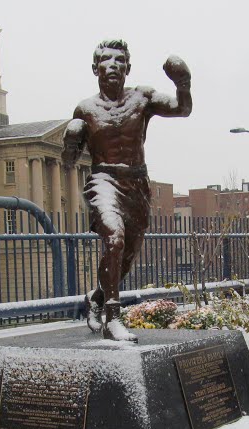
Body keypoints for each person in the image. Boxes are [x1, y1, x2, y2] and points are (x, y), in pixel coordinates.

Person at [63, 39, 192, 341]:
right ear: (95, 68)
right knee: (115, 237)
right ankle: (112, 317)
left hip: (137, 183)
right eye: (106, 60)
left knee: (127, 256)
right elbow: (68, 162)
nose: (113, 65)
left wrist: (183, 82)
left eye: (119, 60)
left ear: (128, 68)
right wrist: (70, 141)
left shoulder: (142, 98)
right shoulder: (85, 108)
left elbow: (182, 109)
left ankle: (96, 298)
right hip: (103, 180)